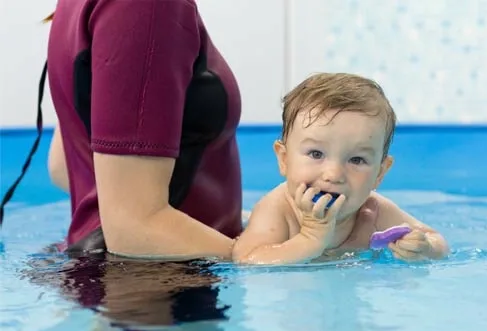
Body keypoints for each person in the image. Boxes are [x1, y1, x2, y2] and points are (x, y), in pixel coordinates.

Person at [35, 1, 380, 261]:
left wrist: (261, 224)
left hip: (118, 274)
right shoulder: (147, 7)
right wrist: (282, 252)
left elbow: (66, 169)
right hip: (167, 285)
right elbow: (132, 226)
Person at [232, 72, 450, 264]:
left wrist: (423, 247)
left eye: (356, 160)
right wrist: (309, 239)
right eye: (316, 154)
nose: (334, 175)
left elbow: (437, 241)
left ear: (380, 173)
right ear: (284, 160)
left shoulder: (373, 212)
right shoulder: (278, 209)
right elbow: (246, 258)